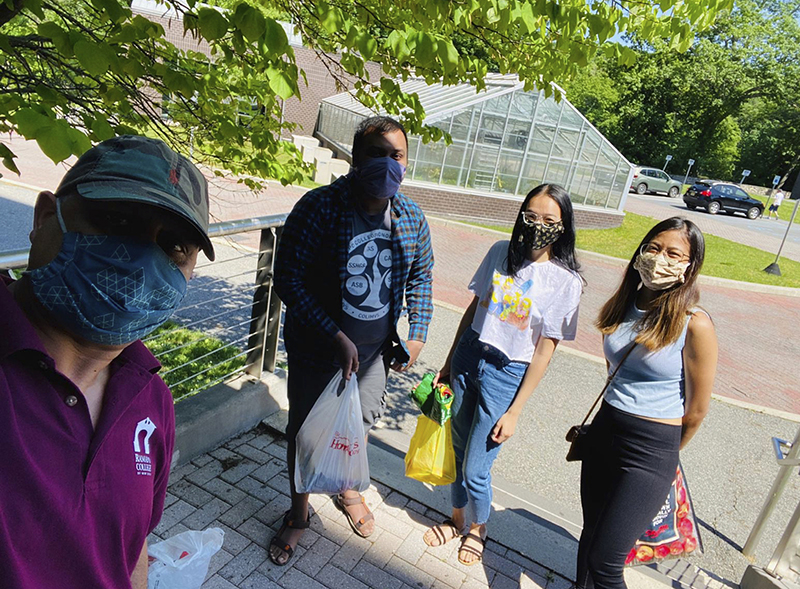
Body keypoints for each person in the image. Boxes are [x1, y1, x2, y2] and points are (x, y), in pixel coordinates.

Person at [0, 136, 214, 589]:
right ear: (44, 218)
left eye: (174, 245)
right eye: (116, 219)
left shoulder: (152, 401)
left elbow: (128, 549)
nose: (137, 259)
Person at [270, 116, 434, 565]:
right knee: (306, 434)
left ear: (407, 162)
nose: (386, 164)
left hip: (374, 354)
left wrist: (417, 333)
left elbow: (421, 277)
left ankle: (347, 490)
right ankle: (300, 513)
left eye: (395, 155)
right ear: (356, 159)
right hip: (317, 351)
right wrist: (335, 335)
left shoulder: (411, 217)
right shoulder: (320, 207)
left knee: (357, 427)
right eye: (376, 154)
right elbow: (289, 279)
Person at [422, 184, 583, 566]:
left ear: (563, 227)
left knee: (478, 466)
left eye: (549, 220)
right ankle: (457, 518)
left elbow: (545, 349)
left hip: (508, 372)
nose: (537, 225)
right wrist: (448, 363)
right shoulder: (499, 253)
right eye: (530, 216)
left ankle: (480, 528)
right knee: (458, 451)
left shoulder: (566, 281)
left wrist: (516, 411)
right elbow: (474, 309)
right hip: (468, 356)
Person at [576, 216, 718, 589]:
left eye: (674, 253)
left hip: (650, 452)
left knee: (606, 563)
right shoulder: (624, 303)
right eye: (654, 248)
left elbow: (697, 410)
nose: (660, 259)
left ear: (690, 267)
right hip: (605, 432)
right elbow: (614, 369)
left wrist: (665, 453)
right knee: (590, 538)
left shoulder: (694, 324)